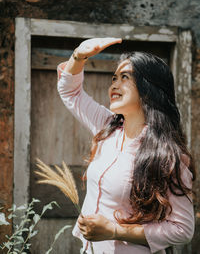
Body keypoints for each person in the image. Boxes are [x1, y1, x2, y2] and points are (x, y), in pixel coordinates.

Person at [57, 38, 195, 254]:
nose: (114, 85)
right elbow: (70, 92)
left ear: (148, 88)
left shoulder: (165, 156)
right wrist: (79, 56)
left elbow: (183, 229)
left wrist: (113, 231)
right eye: (114, 78)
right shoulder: (107, 126)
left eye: (124, 78)